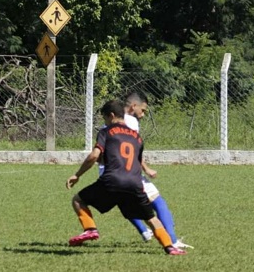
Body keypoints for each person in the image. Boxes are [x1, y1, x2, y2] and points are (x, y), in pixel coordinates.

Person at [66, 99, 186, 256]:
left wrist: (77, 174)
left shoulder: (106, 131)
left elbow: (95, 155)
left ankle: (90, 229)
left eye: (105, 118)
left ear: (111, 115)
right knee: (150, 218)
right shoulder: (137, 137)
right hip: (135, 183)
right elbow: (135, 160)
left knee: (78, 200)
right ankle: (170, 247)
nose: (105, 122)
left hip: (112, 180)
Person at [99, 91, 192, 249]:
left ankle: (144, 232)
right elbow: (131, 149)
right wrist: (146, 169)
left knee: (128, 205)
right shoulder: (130, 121)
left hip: (106, 174)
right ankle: (173, 240)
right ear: (133, 106)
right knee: (158, 203)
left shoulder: (107, 124)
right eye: (142, 110)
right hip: (127, 172)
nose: (142, 115)